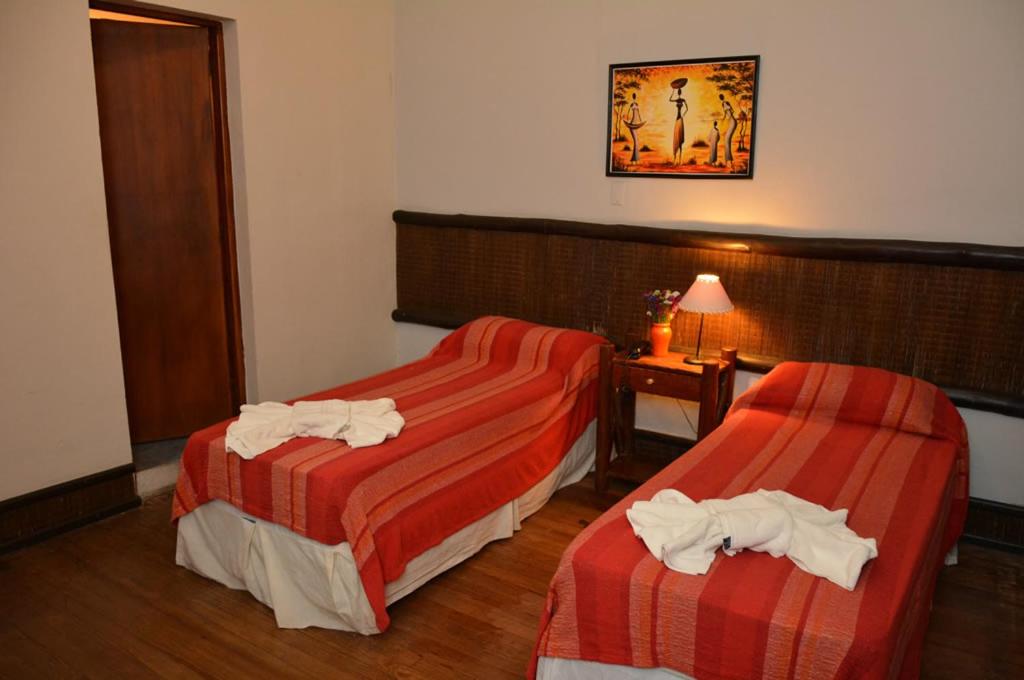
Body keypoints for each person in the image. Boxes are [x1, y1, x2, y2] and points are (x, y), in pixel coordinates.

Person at [669, 78, 688, 165]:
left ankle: (678, 159)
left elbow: (687, 109)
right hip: (679, 119)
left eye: (678, 92)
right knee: (677, 138)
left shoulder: (681, 100)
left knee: (679, 138)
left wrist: (673, 92)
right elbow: (687, 109)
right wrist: (673, 91)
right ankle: (677, 158)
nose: (679, 93)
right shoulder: (681, 100)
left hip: (679, 119)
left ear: (679, 93)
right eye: (679, 92)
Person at [624, 92, 646, 164]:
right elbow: (628, 113)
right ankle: (634, 159)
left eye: (634, 96)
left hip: (635, 124)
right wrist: (627, 120)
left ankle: (635, 159)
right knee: (636, 142)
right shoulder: (632, 105)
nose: (634, 97)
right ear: (633, 97)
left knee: (636, 142)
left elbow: (639, 114)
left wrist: (641, 121)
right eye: (634, 96)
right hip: (632, 125)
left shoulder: (637, 104)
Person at [720, 93, 737, 166]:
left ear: (721, 98)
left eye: (721, 97)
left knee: (726, 140)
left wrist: (727, 117)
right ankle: (728, 160)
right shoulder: (725, 103)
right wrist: (723, 119)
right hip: (731, 121)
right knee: (727, 140)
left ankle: (728, 160)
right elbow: (730, 112)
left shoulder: (724, 103)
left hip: (732, 121)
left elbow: (729, 113)